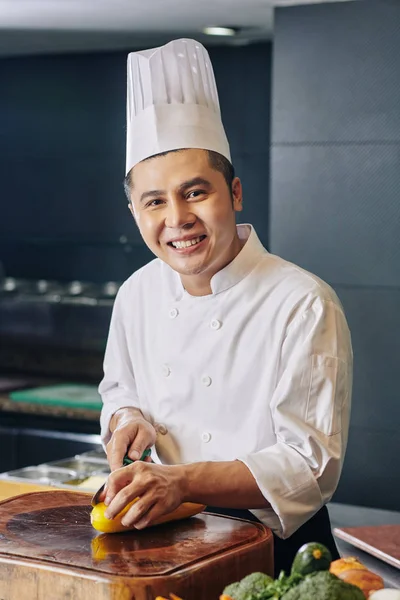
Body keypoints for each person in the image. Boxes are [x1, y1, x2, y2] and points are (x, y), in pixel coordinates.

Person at [98, 38, 353, 576]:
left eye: (196, 192)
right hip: (165, 540)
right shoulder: (136, 294)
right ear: (134, 212)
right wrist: (128, 417)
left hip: (276, 553)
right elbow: (121, 389)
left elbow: (309, 467)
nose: (177, 218)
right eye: (154, 202)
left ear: (234, 192)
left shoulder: (302, 301)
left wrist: (182, 480)